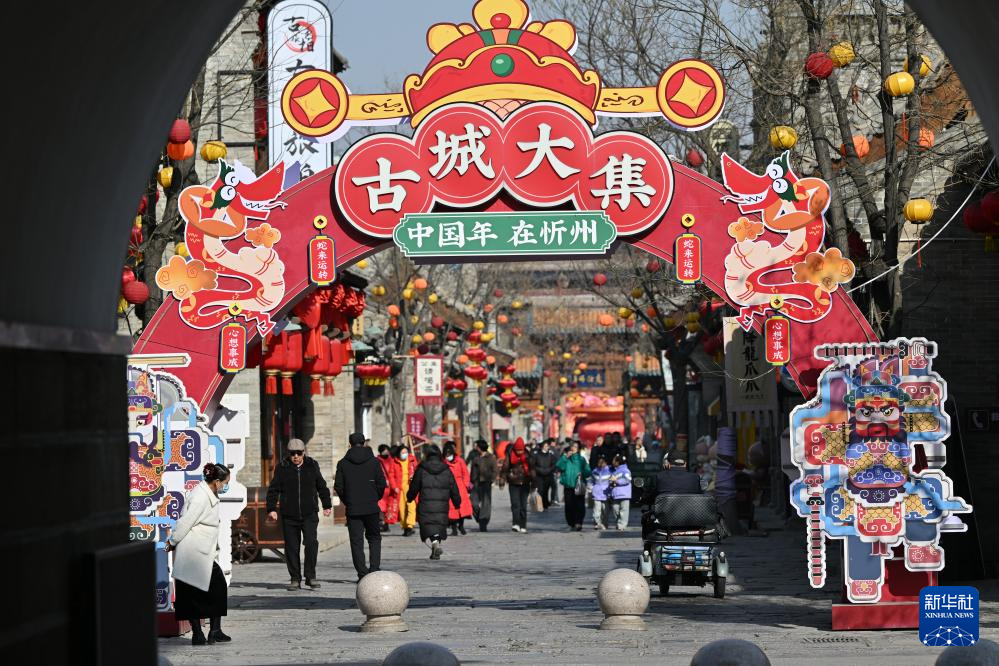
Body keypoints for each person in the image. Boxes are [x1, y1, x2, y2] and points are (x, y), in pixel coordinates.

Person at [167, 463, 232, 645]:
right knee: (195, 592)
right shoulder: (199, 496)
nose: (226, 486)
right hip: (193, 549)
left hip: (202, 549)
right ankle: (200, 633)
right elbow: (185, 521)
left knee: (213, 588)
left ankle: (212, 631)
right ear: (217, 481)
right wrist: (172, 542)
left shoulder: (209, 493)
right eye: (225, 483)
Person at [266, 439, 333, 591]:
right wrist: (271, 509)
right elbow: (273, 490)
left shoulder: (312, 465)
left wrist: (327, 505)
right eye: (292, 453)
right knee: (291, 547)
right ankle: (295, 578)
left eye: (298, 453)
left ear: (304, 452)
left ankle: (310, 576)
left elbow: (321, 486)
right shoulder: (282, 467)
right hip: (289, 515)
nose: (295, 456)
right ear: (288, 454)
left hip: (309, 513)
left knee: (311, 543)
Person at [333, 433, 387, 581]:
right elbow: (382, 483)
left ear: (349, 444)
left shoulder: (343, 463)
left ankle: (362, 574)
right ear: (364, 443)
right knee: (374, 538)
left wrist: (348, 500)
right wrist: (375, 497)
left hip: (353, 509)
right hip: (371, 507)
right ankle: (374, 569)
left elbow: (338, 486)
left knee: (356, 542)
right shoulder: (374, 462)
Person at [407, 444, 461, 559]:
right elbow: (453, 487)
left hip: (426, 504)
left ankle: (435, 544)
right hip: (442, 505)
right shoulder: (446, 469)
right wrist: (457, 502)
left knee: (429, 525)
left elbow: (414, 486)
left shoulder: (421, 469)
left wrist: (410, 497)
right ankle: (436, 546)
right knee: (439, 525)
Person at [499, 437, 533, 532]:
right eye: (518, 450)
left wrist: (534, 483)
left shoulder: (527, 455)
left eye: (521, 450)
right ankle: (516, 524)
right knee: (515, 504)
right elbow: (505, 468)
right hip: (513, 482)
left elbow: (532, 469)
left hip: (525, 482)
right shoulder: (510, 454)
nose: (519, 452)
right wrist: (502, 480)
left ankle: (523, 525)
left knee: (523, 505)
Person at [555, 441, 590, 531]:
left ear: (578, 449)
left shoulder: (582, 459)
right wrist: (565, 457)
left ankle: (579, 522)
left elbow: (588, 471)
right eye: (572, 446)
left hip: (579, 486)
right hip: (568, 486)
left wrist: (582, 473)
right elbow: (559, 466)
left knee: (580, 506)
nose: (573, 448)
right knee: (569, 506)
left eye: (575, 446)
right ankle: (571, 523)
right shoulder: (566, 458)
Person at [443, 442, 473, 535]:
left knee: (462, 508)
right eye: (446, 455)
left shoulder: (460, 461)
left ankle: (461, 525)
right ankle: (454, 529)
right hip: (448, 487)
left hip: (460, 487)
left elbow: (465, 474)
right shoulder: (443, 462)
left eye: (449, 454)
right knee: (452, 509)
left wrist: (466, 485)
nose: (448, 456)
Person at [469, 440, 496, 531]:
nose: (475, 448)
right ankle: (479, 518)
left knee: (486, 504)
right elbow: (472, 473)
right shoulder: (475, 458)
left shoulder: (491, 457)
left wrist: (491, 480)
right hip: (475, 484)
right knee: (473, 503)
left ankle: (483, 522)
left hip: (486, 483)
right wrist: (470, 485)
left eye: (477, 446)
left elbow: (495, 471)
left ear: (480, 448)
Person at [377, 445, 401, 533]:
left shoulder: (392, 460)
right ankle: (381, 523)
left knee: (389, 507)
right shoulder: (377, 461)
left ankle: (386, 524)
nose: (386, 452)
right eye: (384, 450)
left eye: (387, 450)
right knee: (380, 506)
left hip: (390, 488)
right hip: (381, 488)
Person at [396, 444, 417, 537]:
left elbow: (417, 471)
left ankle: (410, 525)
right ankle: (405, 526)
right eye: (402, 452)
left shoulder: (412, 461)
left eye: (406, 452)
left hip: (410, 487)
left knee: (411, 506)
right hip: (400, 489)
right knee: (402, 508)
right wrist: (394, 486)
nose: (404, 454)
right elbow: (391, 475)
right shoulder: (395, 462)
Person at [607, 454, 633, 530]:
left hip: (624, 494)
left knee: (624, 510)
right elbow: (611, 481)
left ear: (618, 462)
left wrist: (616, 481)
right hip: (616, 494)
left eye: (614, 460)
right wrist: (611, 483)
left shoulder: (626, 470)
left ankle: (622, 525)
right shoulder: (614, 471)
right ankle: (619, 523)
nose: (612, 461)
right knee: (615, 509)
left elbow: (627, 480)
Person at [532, 439, 558, 510]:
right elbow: (533, 464)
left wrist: (550, 469)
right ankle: (540, 504)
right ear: (542, 447)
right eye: (546, 446)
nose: (547, 447)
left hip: (548, 475)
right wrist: (538, 469)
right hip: (539, 475)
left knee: (546, 490)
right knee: (540, 490)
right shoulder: (537, 454)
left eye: (548, 446)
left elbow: (554, 464)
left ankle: (545, 503)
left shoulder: (550, 455)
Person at [589, 456, 611, 530]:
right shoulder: (594, 471)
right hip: (597, 493)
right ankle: (597, 523)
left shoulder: (609, 471)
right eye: (599, 462)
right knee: (596, 510)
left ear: (606, 463)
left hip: (605, 493)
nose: (601, 464)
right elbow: (591, 480)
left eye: (602, 462)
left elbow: (612, 481)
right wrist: (590, 488)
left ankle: (605, 523)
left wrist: (611, 489)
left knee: (605, 510)